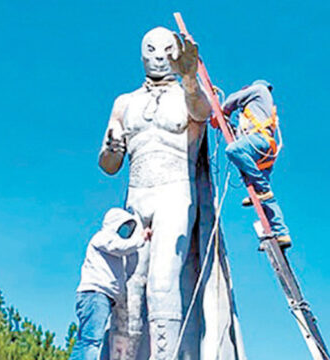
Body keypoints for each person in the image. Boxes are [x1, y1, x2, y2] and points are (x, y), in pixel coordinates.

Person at [98, 27, 246, 360]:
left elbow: (202, 113)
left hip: (174, 193)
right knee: (129, 291)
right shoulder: (124, 103)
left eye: (166, 49)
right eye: (150, 49)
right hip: (136, 197)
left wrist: (191, 78)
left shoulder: (188, 94)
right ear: (141, 55)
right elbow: (109, 165)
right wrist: (111, 148)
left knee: (163, 282)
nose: (158, 56)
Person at [69, 207, 152, 360]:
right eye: (123, 226)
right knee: (91, 341)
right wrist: (142, 239)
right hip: (95, 295)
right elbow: (120, 247)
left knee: (86, 340)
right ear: (114, 224)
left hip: (99, 297)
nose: (125, 231)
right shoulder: (102, 238)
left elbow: (129, 264)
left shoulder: (113, 250)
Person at [222, 80, 291, 248]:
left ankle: (261, 188)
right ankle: (281, 233)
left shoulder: (259, 89)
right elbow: (242, 135)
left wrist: (224, 111)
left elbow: (233, 99)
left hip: (260, 142)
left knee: (233, 151)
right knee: (266, 196)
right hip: (265, 151)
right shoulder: (259, 109)